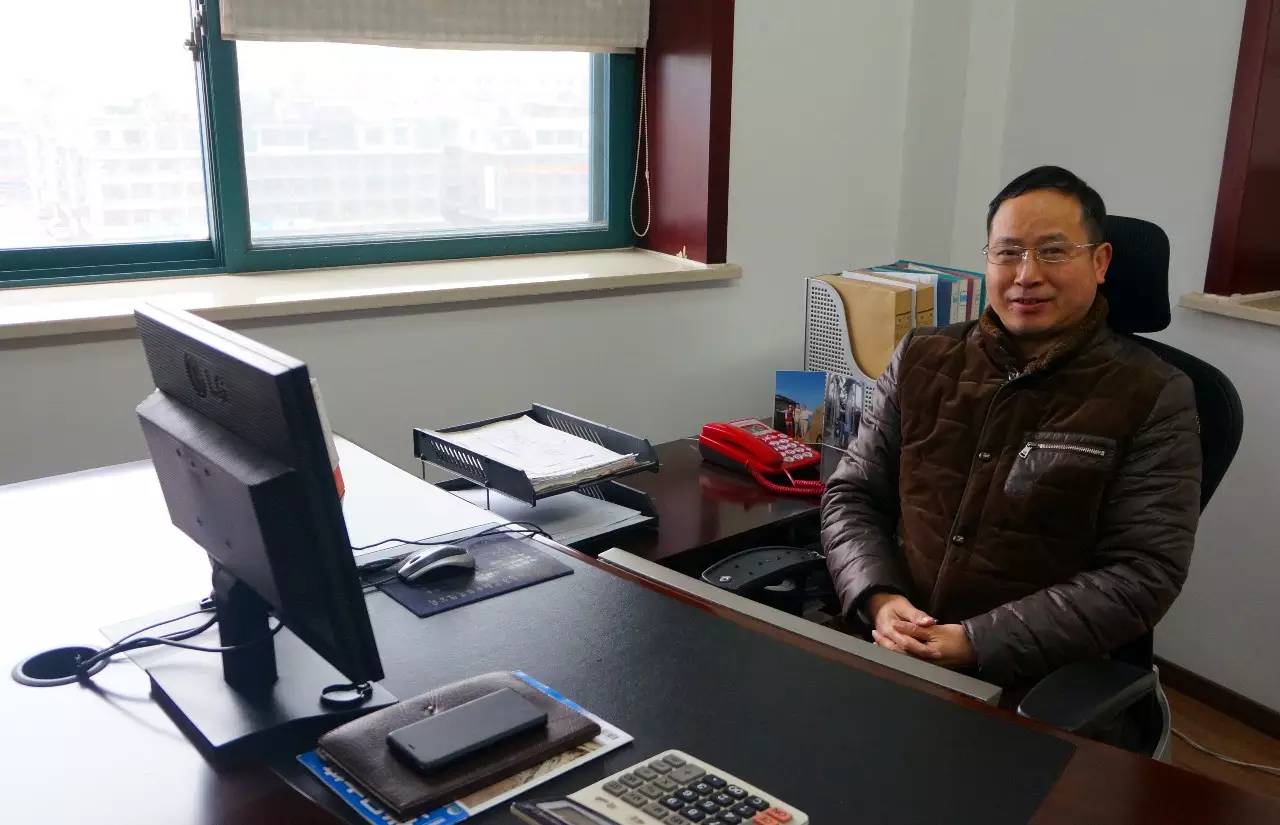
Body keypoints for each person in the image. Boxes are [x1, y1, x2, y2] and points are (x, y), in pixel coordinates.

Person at [820, 166, 1202, 701]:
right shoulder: (921, 357)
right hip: (889, 645)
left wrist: (976, 642)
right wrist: (877, 597)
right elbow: (852, 493)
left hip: (1028, 683)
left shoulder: (1154, 394)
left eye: (1052, 252)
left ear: (1100, 262)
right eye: (1008, 252)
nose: (1026, 275)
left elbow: (1143, 572)